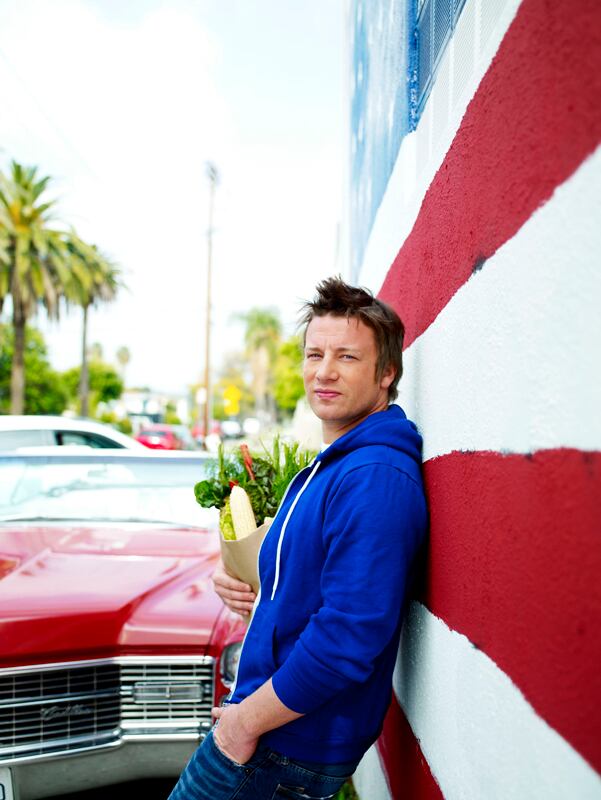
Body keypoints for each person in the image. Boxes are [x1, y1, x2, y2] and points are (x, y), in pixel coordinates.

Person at [168, 277, 427, 800]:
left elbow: (348, 636)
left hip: (282, 746)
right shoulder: (336, 464)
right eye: (315, 354)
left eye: (347, 356)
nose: (324, 371)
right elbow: (304, 575)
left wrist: (242, 726)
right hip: (270, 733)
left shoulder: (374, 476)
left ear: (387, 373)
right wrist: (245, 579)